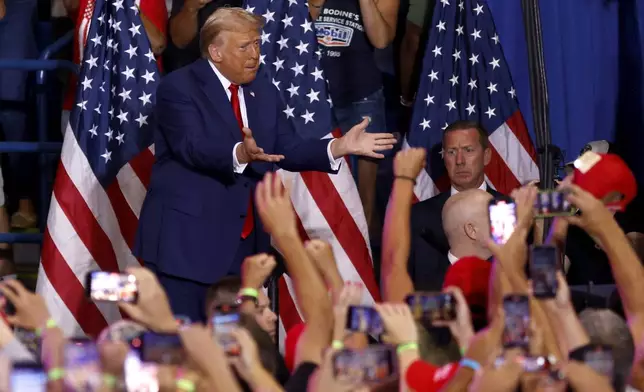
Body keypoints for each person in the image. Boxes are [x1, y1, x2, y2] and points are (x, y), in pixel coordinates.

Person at [134, 7, 396, 322]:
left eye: (257, 44)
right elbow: (191, 147)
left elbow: (288, 146)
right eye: (244, 47)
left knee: (237, 346)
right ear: (216, 52)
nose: (255, 54)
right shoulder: (179, 87)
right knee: (183, 346)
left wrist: (338, 147)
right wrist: (239, 154)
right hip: (187, 246)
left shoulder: (262, 88)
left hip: (244, 249)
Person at [310, 0, 399, 236]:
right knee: (318, 190)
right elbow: (295, 27)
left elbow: (381, 39)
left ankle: (364, 265)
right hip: (313, 97)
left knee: (364, 198)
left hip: (362, 98)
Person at [408, 121, 503, 291]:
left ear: (487, 156)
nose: (460, 161)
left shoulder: (509, 209)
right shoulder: (417, 216)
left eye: (468, 150)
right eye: (451, 152)